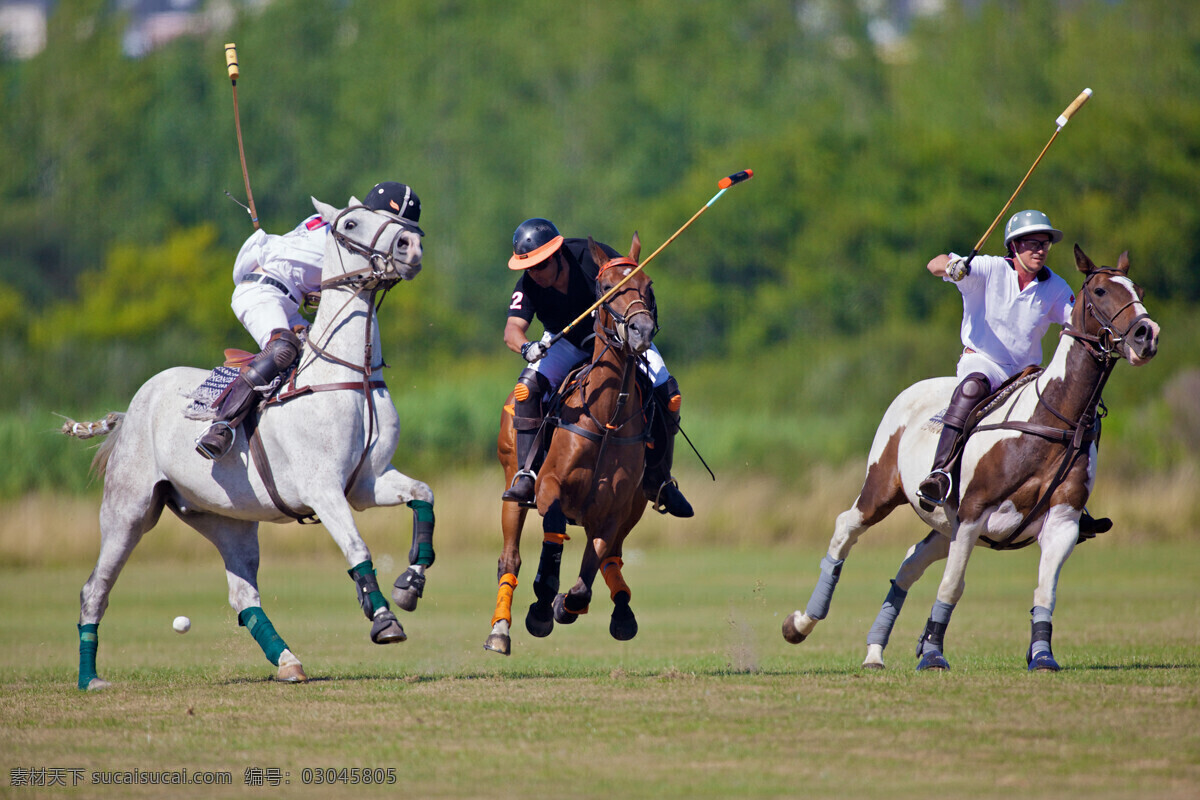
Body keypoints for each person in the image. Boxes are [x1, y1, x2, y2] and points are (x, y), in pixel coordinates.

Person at [195, 181, 424, 460]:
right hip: (261, 290)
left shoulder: (348, 230)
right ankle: (220, 426)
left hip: (290, 300)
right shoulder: (348, 236)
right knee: (283, 349)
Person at [916, 209, 1111, 535]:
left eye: (1045, 244)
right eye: (1033, 243)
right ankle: (941, 475)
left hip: (1026, 376)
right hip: (983, 363)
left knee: (1082, 415)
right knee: (971, 390)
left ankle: (1075, 500)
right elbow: (934, 263)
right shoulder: (989, 268)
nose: (1040, 250)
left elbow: (1076, 322)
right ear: (1014, 246)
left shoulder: (1056, 287)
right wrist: (953, 267)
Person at [501, 217, 693, 518]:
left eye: (539, 265)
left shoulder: (591, 259)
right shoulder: (528, 284)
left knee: (668, 393)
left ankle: (660, 479)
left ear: (556, 256)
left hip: (617, 340)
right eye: (528, 267)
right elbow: (512, 329)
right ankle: (527, 475)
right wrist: (528, 346)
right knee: (526, 390)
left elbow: (633, 287)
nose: (534, 273)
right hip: (565, 341)